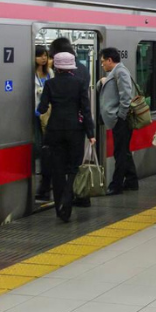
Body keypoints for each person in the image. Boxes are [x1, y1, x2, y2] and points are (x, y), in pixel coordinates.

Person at [36, 52, 95, 222]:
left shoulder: (50, 84)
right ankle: (68, 200)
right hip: (75, 130)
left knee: (58, 170)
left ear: (56, 67)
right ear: (71, 67)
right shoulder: (80, 83)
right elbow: (85, 110)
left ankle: (60, 210)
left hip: (54, 130)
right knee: (74, 168)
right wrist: (90, 134)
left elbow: (42, 108)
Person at [49, 37, 92, 207]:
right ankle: (80, 195)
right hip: (77, 126)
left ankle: (64, 199)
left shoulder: (55, 79)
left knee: (61, 165)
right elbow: (85, 106)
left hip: (58, 127)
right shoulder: (83, 70)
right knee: (76, 164)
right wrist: (90, 131)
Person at [98, 47, 138, 194]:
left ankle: (116, 184)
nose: (102, 64)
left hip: (122, 120)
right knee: (124, 150)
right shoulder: (115, 72)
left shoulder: (120, 71)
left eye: (103, 61)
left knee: (119, 153)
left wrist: (120, 116)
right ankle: (132, 180)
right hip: (119, 119)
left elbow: (126, 96)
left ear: (110, 60)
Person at [34, 45, 54, 200]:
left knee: (46, 148)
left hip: (48, 115)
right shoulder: (30, 75)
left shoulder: (50, 73)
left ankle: (45, 183)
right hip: (35, 114)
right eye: (40, 55)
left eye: (45, 55)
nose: (43, 58)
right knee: (38, 146)